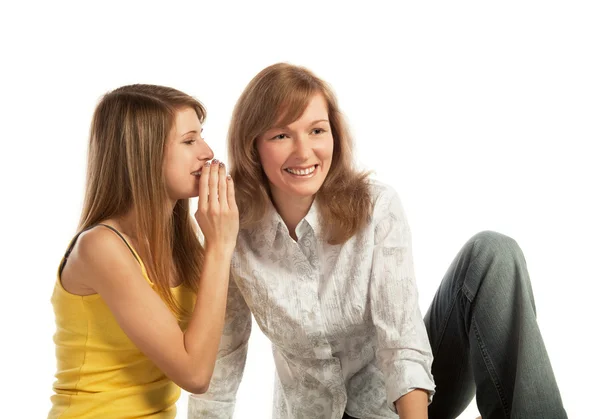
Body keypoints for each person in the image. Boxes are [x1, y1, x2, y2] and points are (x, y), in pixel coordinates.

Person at [188, 63, 568, 419]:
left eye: (317, 130)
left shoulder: (375, 206)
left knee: (493, 253)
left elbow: (400, 340)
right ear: (253, 145)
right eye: (282, 135)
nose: (304, 152)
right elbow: (221, 363)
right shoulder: (229, 228)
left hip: (402, 401)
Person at [49, 84, 239, 418]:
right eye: (189, 140)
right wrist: (220, 246)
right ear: (145, 154)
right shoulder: (101, 247)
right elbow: (195, 374)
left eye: (202, 136)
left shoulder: (181, 243)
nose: (207, 151)